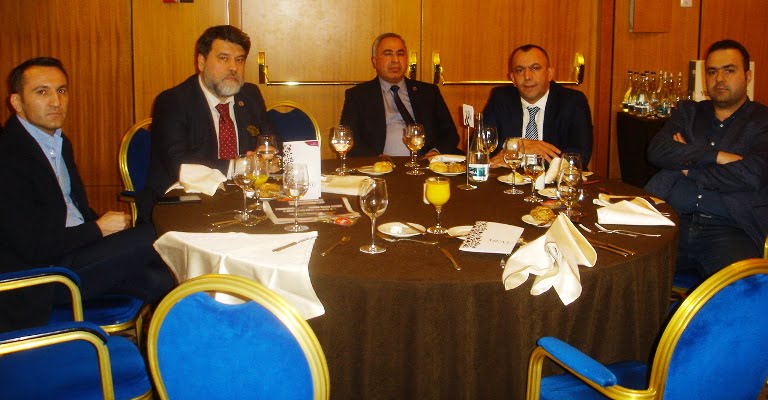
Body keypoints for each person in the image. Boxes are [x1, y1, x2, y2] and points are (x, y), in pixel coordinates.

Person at [0, 57, 175, 331]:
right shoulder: (8, 156)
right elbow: (31, 247)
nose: (56, 101)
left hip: (77, 254)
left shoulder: (58, 142)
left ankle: (169, 349)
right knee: (159, 233)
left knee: (163, 277)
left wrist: (104, 230)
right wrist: (98, 229)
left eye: (61, 90)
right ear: (17, 102)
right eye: (42, 92)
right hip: (43, 275)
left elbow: (74, 209)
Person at [645, 39, 768, 280]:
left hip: (731, 229)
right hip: (671, 221)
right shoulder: (689, 112)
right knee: (625, 273)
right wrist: (716, 156)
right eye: (712, 72)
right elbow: (657, 150)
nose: (719, 79)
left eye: (729, 71)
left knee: (740, 291)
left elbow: (752, 174)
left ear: (748, 76)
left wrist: (689, 168)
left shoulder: (762, 121)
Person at [144, 25, 275, 218]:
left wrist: (268, 154)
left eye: (239, 60)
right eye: (224, 58)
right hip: (185, 203)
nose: (233, 68)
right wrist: (240, 166)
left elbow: (272, 139)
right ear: (201, 62)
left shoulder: (250, 95)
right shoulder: (173, 101)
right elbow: (179, 164)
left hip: (243, 201)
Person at [340, 32, 459, 157]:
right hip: (381, 165)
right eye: (388, 54)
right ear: (374, 61)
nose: (395, 60)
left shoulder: (429, 92)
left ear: (406, 59)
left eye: (400, 54)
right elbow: (348, 139)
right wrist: (376, 159)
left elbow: (450, 134)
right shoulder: (358, 96)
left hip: (426, 163)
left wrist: (435, 152)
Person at [483, 44, 593, 166]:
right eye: (520, 70)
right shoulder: (500, 98)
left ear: (549, 74)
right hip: (509, 176)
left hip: (553, 177)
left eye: (535, 68)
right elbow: (480, 144)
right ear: (513, 78)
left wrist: (523, 155)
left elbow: (581, 155)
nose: (527, 77)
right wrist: (517, 145)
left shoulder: (573, 102)